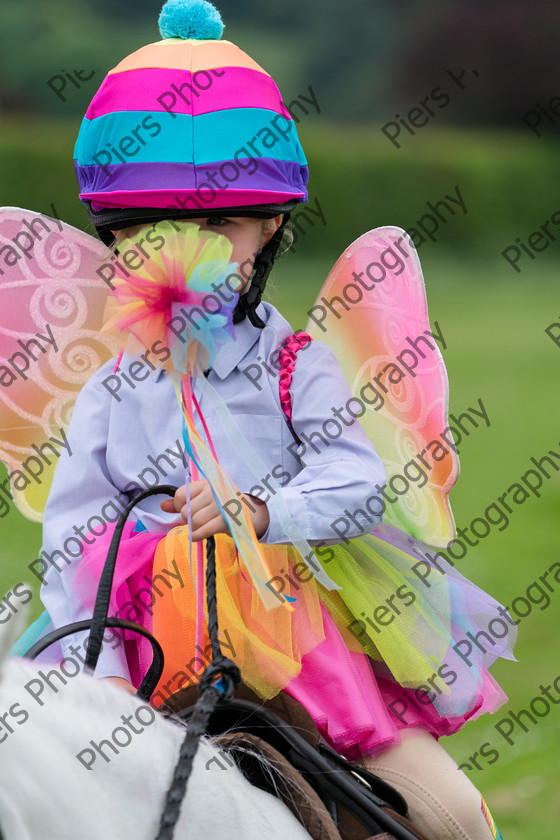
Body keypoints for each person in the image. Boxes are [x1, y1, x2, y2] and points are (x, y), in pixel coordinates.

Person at [38, 2, 510, 837]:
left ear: (270, 227)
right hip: (136, 646)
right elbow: (74, 532)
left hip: (296, 644)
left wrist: (262, 510)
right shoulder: (109, 390)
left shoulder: (300, 369)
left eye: (221, 221)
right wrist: (102, 671)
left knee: (455, 819)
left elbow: (360, 482)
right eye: (158, 227)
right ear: (119, 238)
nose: (194, 245)